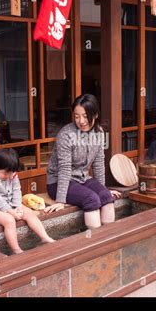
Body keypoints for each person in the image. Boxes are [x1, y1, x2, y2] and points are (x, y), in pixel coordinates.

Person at [44, 94, 122, 229]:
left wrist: (102, 189)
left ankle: (109, 240)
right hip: (59, 182)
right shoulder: (66, 135)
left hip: (82, 178)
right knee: (91, 199)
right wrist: (60, 200)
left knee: (106, 197)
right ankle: (95, 243)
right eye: (76, 116)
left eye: (85, 116)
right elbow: (64, 168)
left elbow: (98, 163)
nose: (81, 121)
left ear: (95, 114)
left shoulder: (99, 132)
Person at [0, 148, 55, 254]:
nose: (9, 176)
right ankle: (16, 249)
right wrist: (12, 212)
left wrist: (18, 206)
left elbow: (16, 190)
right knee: (9, 220)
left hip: (11, 204)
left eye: (11, 173)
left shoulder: (11, 173)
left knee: (28, 212)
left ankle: (44, 237)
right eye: (5, 174)